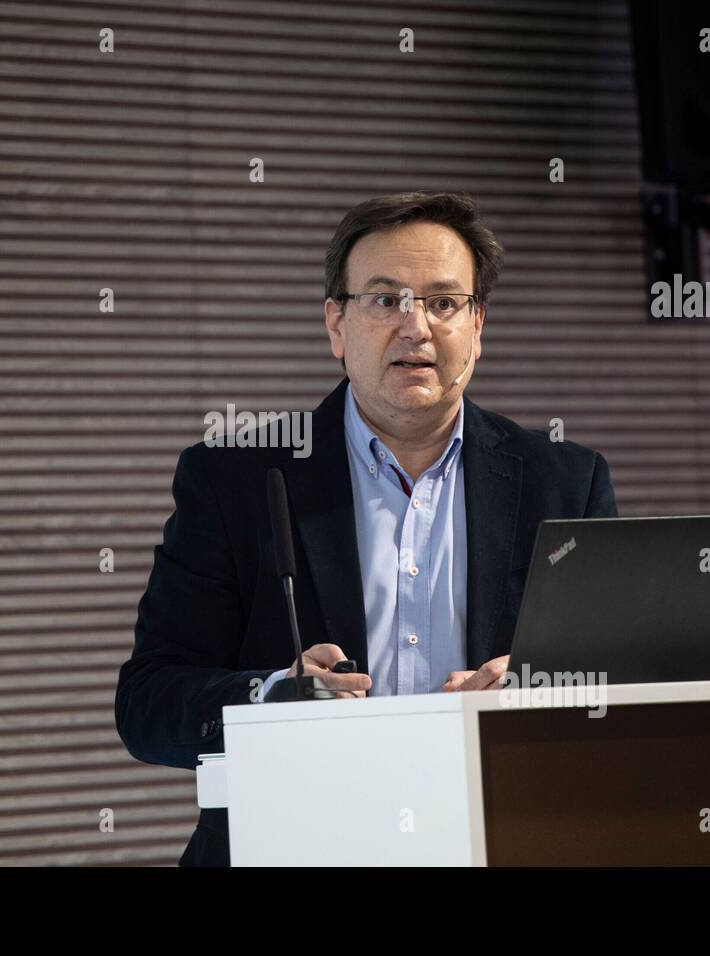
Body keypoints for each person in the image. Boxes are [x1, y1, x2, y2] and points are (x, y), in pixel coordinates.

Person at [115, 191, 618, 866]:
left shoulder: (565, 482)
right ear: (335, 324)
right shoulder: (233, 481)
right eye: (384, 300)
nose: (414, 327)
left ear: (477, 324)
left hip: (498, 841)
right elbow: (148, 705)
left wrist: (542, 692)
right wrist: (270, 697)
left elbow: (628, 693)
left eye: (443, 302)